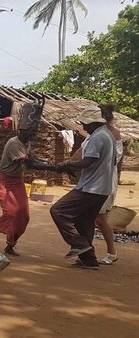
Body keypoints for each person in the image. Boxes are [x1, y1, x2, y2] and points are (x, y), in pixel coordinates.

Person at [50, 107, 115, 270]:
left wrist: (68, 164)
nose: (83, 127)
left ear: (93, 123)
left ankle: (79, 244)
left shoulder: (97, 137)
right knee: (84, 221)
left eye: (85, 124)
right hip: (102, 188)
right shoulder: (108, 135)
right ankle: (89, 260)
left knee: (58, 211)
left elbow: (88, 162)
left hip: (91, 187)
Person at [0, 101, 58, 256]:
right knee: (10, 212)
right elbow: (29, 163)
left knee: (23, 215)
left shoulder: (26, 143)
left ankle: (11, 243)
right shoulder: (14, 143)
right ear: (23, 129)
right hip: (6, 181)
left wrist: (54, 165)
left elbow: (32, 160)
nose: (34, 134)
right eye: (32, 130)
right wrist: (54, 168)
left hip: (17, 181)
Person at [93, 103, 123, 265]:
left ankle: (112, 252)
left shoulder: (110, 135)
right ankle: (86, 248)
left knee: (100, 217)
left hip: (104, 180)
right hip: (99, 179)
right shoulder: (104, 133)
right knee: (92, 216)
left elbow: (111, 160)